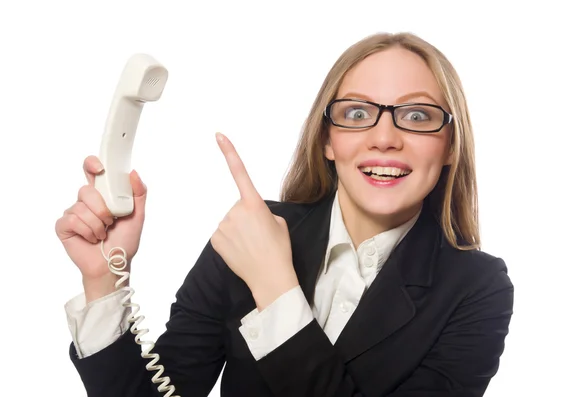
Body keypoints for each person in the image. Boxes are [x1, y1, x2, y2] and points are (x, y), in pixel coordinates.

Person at [56, 32, 514, 397]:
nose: (385, 137)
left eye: (416, 116)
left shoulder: (478, 287)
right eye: (357, 112)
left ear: (450, 145)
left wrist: (275, 288)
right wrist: (104, 282)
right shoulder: (249, 233)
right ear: (327, 140)